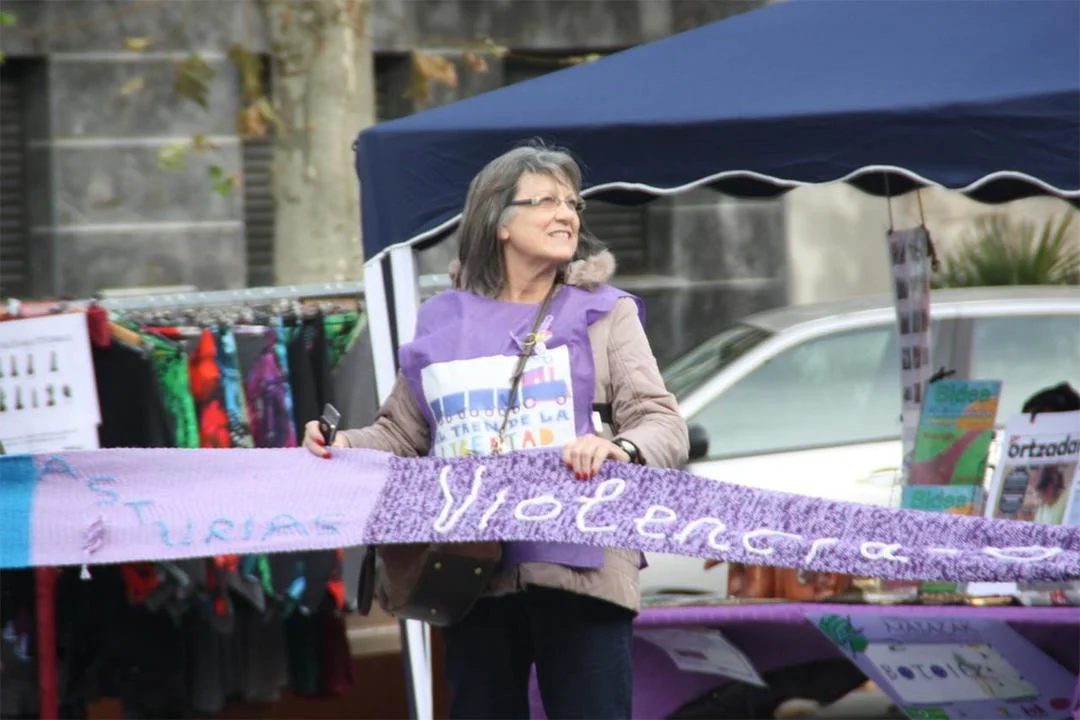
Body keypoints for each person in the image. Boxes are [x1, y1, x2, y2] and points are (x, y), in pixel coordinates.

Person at [303, 141, 688, 719]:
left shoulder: (606, 313)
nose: (566, 215)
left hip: (582, 568)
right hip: (467, 571)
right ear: (500, 222)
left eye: (573, 203)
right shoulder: (443, 321)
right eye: (546, 202)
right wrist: (341, 445)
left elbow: (663, 423)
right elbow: (401, 436)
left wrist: (619, 447)